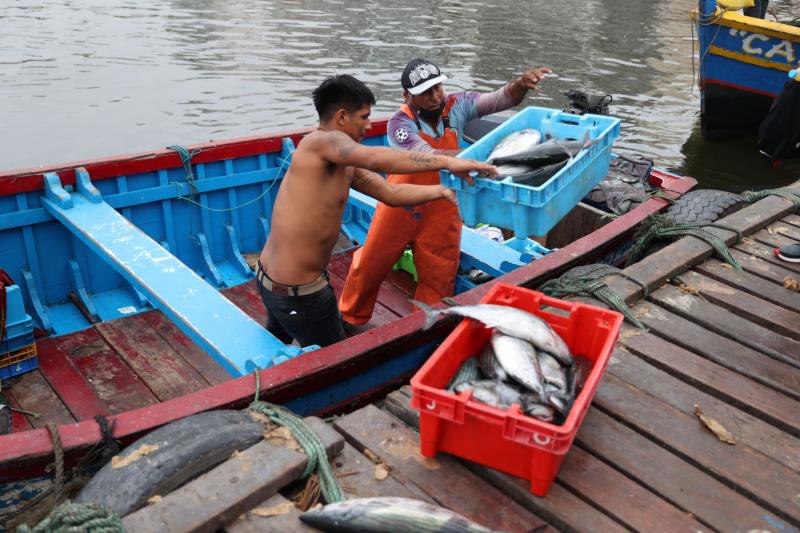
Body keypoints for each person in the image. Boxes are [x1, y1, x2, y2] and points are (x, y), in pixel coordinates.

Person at [257, 74, 497, 348]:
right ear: (342, 117)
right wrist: (446, 161)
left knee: (278, 342)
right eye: (364, 117)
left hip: (273, 282)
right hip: (299, 294)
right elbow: (376, 157)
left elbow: (390, 193)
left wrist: (442, 192)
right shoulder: (319, 142)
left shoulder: (342, 162)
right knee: (337, 361)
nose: (370, 125)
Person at [338, 58, 551, 327]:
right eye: (425, 92)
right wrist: (478, 156)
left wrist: (520, 85)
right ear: (407, 96)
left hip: (444, 201)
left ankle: (424, 327)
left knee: (439, 272)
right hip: (402, 203)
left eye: (437, 87)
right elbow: (427, 157)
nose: (435, 96)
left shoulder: (458, 104)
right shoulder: (399, 125)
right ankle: (350, 316)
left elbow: (499, 99)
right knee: (371, 264)